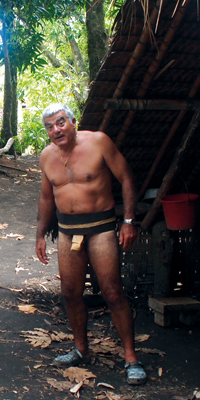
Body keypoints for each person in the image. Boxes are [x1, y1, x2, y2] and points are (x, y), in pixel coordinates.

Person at [34, 103, 147, 385]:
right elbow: (47, 198)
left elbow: (126, 177)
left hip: (101, 228)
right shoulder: (47, 156)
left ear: (73, 121)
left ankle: (131, 357)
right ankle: (81, 349)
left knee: (112, 291)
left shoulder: (98, 141)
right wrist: (40, 234)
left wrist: (129, 221)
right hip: (67, 231)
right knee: (70, 292)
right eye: (49, 126)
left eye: (60, 123)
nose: (56, 130)